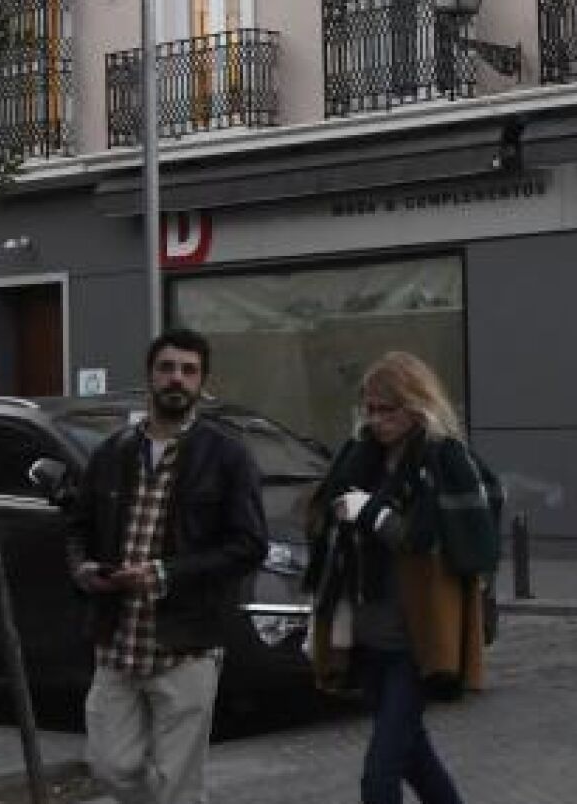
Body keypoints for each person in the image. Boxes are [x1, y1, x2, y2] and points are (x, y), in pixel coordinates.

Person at [66, 328, 268, 804]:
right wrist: (83, 568)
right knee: (111, 768)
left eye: (188, 371)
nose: (177, 378)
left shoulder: (226, 456)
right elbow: (78, 527)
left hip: (187, 647)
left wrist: (164, 574)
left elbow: (248, 545)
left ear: (201, 383)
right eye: (167, 368)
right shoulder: (113, 452)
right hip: (117, 642)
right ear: (150, 377)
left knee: (179, 786)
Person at [306, 352, 503, 804]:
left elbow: (427, 540)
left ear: (416, 405)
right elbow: (323, 521)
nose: (376, 420)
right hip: (368, 634)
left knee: (379, 777)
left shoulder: (442, 459)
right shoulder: (360, 457)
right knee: (415, 757)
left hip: (416, 641)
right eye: (370, 409)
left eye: (386, 410)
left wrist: (370, 512)